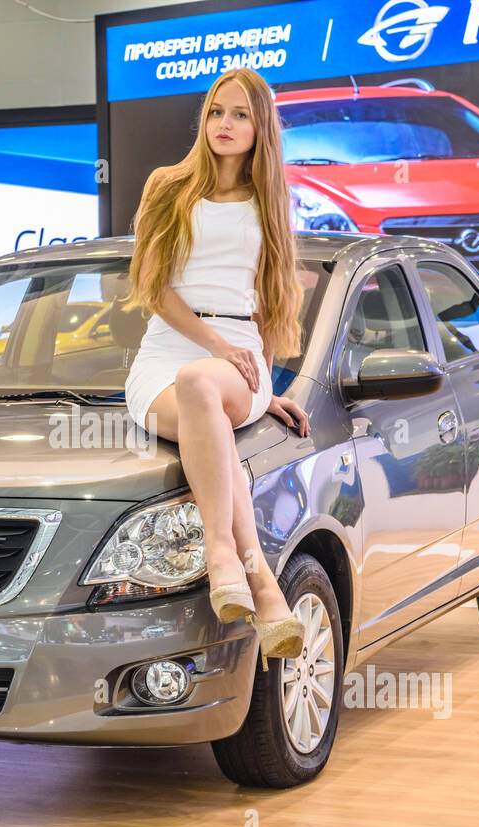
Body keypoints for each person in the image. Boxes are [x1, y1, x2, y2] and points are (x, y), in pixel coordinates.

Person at [122, 67, 312, 663]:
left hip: (240, 357)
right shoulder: (166, 186)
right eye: (215, 112)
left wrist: (265, 387)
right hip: (166, 352)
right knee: (196, 385)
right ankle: (258, 578)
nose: (224, 125)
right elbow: (154, 289)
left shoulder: (269, 200)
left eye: (240, 115)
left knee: (204, 381)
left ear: (261, 129)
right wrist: (213, 346)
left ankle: (221, 553)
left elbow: (275, 298)